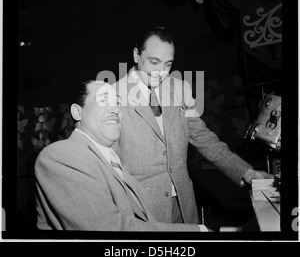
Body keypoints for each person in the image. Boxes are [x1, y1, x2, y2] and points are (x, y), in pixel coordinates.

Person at [112, 26, 273, 224]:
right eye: (154, 62)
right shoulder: (112, 96)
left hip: (183, 206)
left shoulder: (179, 88)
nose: (161, 72)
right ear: (136, 55)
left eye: (168, 64)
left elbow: (204, 140)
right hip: (140, 212)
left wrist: (247, 172)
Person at [35, 80, 206, 231]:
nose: (115, 110)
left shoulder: (112, 159)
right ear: (77, 112)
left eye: (117, 103)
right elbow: (106, 229)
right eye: (103, 101)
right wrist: (198, 232)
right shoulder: (62, 155)